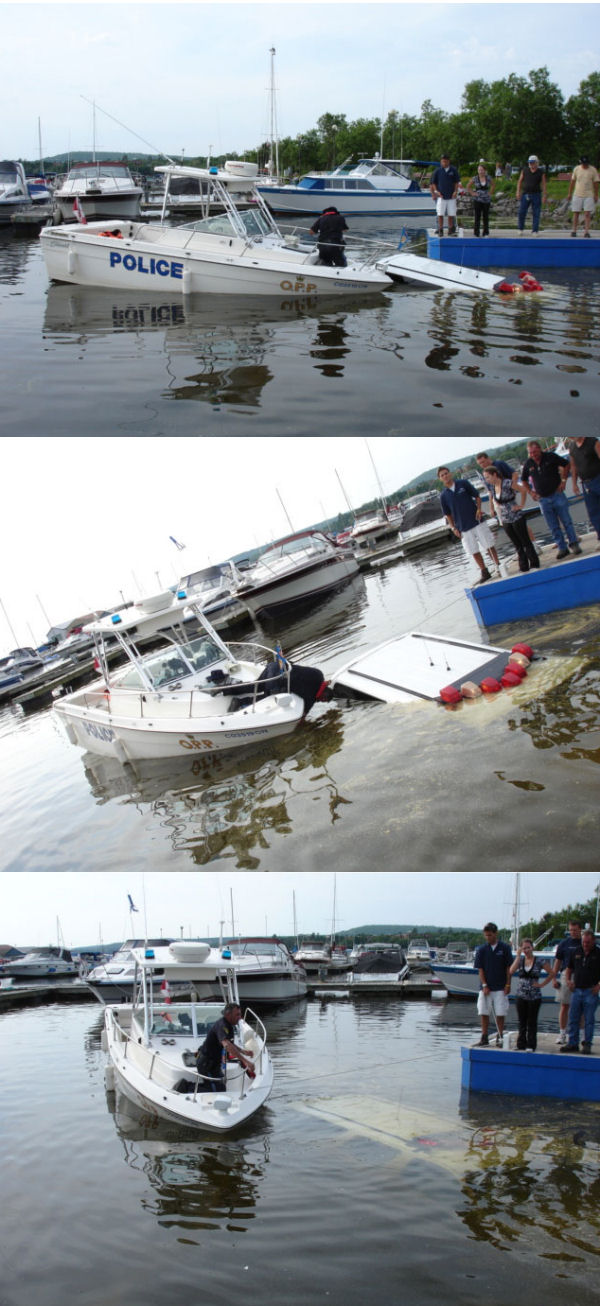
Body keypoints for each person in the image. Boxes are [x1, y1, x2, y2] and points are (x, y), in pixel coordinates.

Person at [438, 465, 500, 583]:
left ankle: (497, 565)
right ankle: (484, 571)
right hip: (462, 527)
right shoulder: (443, 495)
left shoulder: (463, 483)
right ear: (440, 479)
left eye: (446, 473)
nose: (445, 476)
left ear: (450, 474)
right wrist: (453, 528)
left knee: (488, 544)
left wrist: (478, 509)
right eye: (442, 475)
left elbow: (477, 496)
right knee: (473, 550)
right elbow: (448, 514)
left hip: (476, 521)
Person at [520, 440, 581, 558]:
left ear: (540, 449)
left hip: (557, 494)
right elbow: (523, 480)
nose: (533, 455)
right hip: (543, 499)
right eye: (531, 453)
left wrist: (563, 481)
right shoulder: (528, 463)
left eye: (535, 452)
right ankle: (562, 547)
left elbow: (566, 464)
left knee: (566, 521)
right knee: (553, 526)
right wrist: (531, 492)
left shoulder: (550, 457)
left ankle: (574, 543)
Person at [485, 465, 539, 571]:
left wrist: (521, 505)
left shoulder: (507, 483)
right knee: (516, 543)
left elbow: (523, 490)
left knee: (525, 541)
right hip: (505, 518)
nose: (487, 480)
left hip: (516, 515)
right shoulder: (492, 488)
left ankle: (534, 563)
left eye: (488, 477)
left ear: (494, 475)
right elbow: (494, 500)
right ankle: (523, 565)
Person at [194, 1002, 255, 1091]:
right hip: (206, 1064)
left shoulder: (229, 1026)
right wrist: (245, 1061)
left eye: (240, 1014)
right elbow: (226, 1045)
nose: (239, 1017)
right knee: (216, 1090)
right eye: (237, 1015)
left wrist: (243, 1051)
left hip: (215, 1064)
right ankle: (186, 1087)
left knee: (222, 1086)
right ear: (228, 1014)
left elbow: (230, 1043)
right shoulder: (222, 1025)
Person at [508, 939, 553, 1050]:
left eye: (528, 947)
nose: (526, 950)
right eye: (524, 948)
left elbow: (552, 973)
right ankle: (521, 1044)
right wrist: (518, 956)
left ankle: (531, 1044)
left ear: (532, 947)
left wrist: (542, 984)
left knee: (532, 1021)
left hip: (534, 996)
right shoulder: (521, 960)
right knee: (521, 1021)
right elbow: (511, 971)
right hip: (521, 995)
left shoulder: (539, 961)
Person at [474, 923, 513, 1046]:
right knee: (484, 1012)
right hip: (486, 987)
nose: (488, 937)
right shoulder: (482, 950)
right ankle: (484, 1036)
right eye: (486, 935)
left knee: (500, 1012)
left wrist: (508, 984)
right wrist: (484, 985)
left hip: (500, 986)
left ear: (495, 933)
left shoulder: (505, 948)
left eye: (490, 935)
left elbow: (508, 968)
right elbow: (480, 969)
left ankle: (499, 1035)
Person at [561, 928, 600, 1054]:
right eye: (583, 942)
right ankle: (573, 1043)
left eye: (588, 942)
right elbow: (569, 968)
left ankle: (587, 1043)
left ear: (593, 941)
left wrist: (599, 986)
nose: (585, 945)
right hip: (577, 990)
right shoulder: (577, 951)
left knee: (589, 1020)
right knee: (573, 1017)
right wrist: (568, 981)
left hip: (591, 990)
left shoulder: (598, 953)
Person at [550, 919, 583, 1045]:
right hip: (565, 975)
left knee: (581, 1008)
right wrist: (553, 978)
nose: (573, 932)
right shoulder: (564, 944)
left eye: (575, 930)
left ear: (580, 929)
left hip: (580, 975)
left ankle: (580, 1034)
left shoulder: (584, 942)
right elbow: (557, 962)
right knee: (564, 1006)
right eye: (571, 930)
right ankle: (562, 1033)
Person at [569, 436, 600, 544]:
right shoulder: (572, 447)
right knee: (594, 513)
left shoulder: (592, 441)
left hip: (598, 478)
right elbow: (573, 467)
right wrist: (574, 484)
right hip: (586, 483)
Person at [567, 156, 599, 238]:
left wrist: (596, 194)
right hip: (577, 194)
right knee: (576, 212)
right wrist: (569, 193)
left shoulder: (593, 170)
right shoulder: (576, 169)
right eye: (583, 163)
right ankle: (574, 230)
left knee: (587, 213)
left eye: (586, 163)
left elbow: (596, 183)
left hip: (589, 194)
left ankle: (586, 231)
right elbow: (572, 181)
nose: (585, 165)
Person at [430, 153, 460, 237]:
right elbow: (433, 183)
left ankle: (451, 230)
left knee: (451, 214)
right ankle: (440, 229)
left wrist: (455, 191)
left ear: (448, 161)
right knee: (440, 213)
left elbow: (456, 182)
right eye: (442, 161)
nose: (444, 163)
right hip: (441, 196)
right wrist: (436, 191)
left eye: (445, 161)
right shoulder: (437, 171)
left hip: (451, 196)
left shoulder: (453, 170)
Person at [516, 155, 547, 234]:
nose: (531, 164)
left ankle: (535, 230)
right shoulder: (525, 170)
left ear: (537, 163)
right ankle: (520, 228)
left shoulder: (541, 172)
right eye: (530, 163)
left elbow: (543, 184)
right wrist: (518, 192)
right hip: (525, 194)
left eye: (533, 163)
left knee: (536, 213)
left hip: (536, 194)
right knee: (522, 212)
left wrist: (544, 195)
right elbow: (520, 181)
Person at [467, 161, 495, 237]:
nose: (481, 171)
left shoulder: (488, 178)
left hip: (486, 200)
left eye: (482, 170)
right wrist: (473, 193)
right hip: (477, 200)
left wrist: (490, 193)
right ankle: (476, 232)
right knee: (477, 216)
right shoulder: (475, 178)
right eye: (479, 170)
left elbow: (493, 185)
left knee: (486, 217)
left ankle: (486, 232)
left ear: (485, 170)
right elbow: (468, 186)